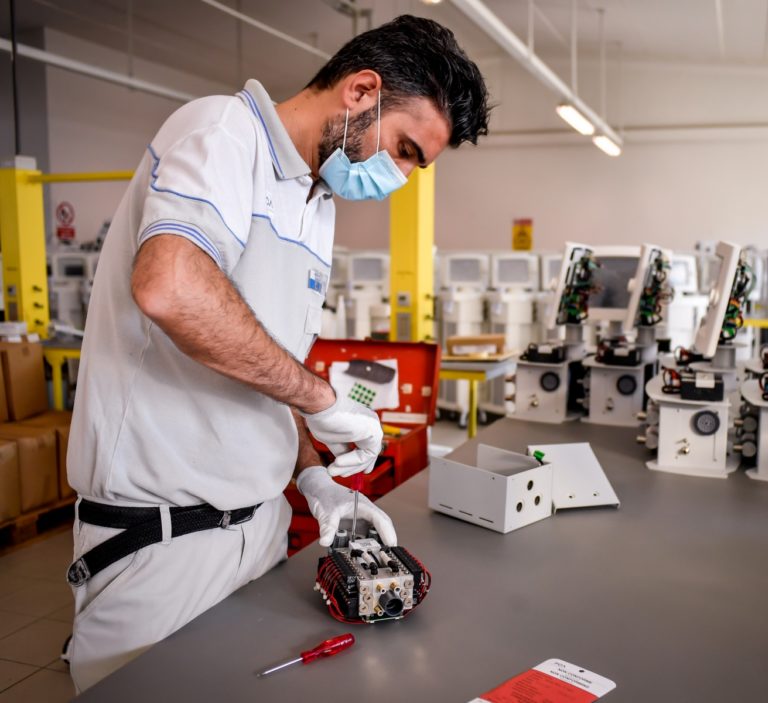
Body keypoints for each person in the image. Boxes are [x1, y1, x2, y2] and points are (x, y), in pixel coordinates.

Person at [64, 14, 491, 692]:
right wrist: (321, 397)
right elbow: (171, 287)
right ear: (360, 92)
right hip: (163, 544)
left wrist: (313, 476)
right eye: (406, 149)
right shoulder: (222, 134)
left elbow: (261, 361)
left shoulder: (315, 201)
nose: (403, 177)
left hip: (257, 532)